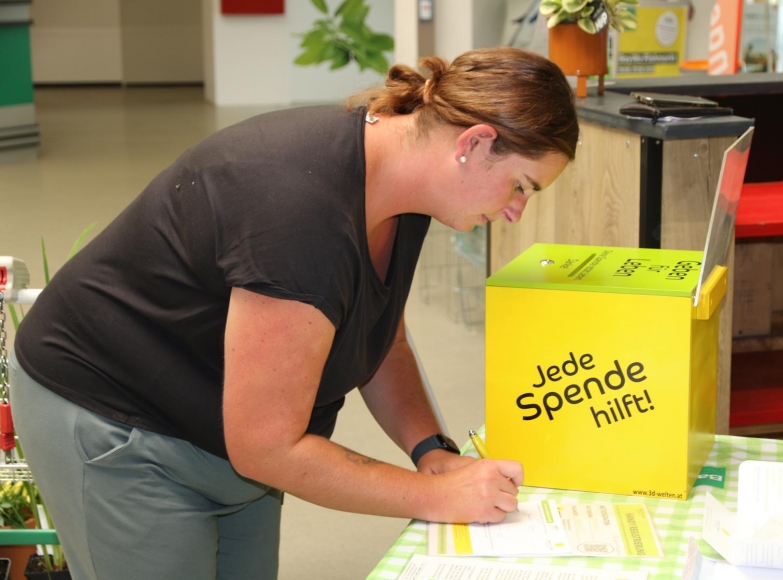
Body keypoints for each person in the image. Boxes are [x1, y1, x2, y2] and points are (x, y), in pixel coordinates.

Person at [9, 47, 578, 579]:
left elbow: (381, 339)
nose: (516, 212)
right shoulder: (301, 212)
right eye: (521, 186)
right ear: (474, 143)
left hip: (232, 435)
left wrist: (432, 453)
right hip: (117, 417)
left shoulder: (404, 188)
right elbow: (266, 446)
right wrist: (434, 497)